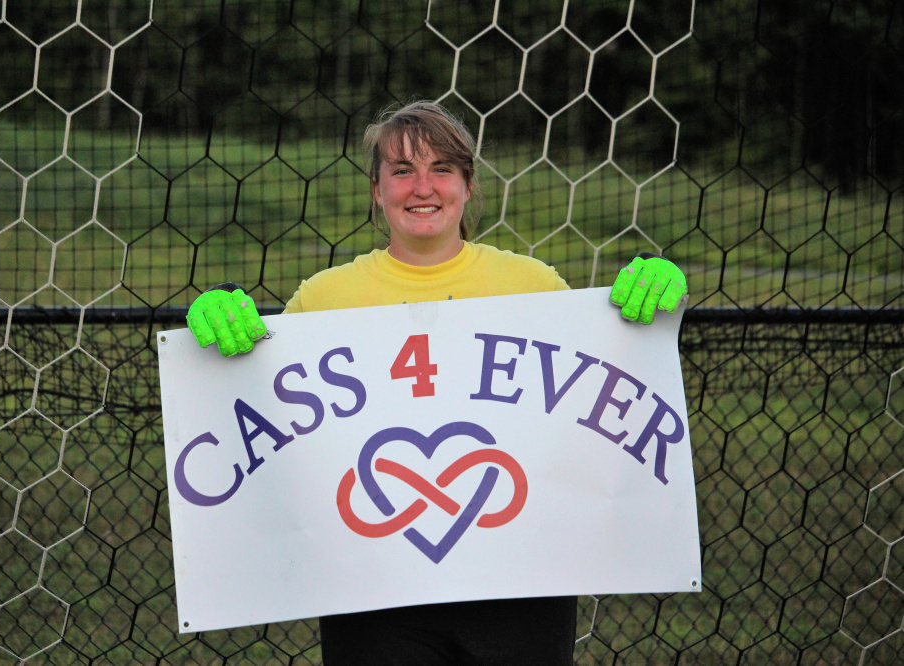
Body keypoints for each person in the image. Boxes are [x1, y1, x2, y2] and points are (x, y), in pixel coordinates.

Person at [185, 101, 687, 665]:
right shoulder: (324, 298)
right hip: (372, 593)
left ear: (468, 185)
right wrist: (220, 324)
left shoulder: (534, 285)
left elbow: (596, 396)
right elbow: (266, 415)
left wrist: (647, 299)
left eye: (442, 169)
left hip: (521, 586)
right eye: (401, 171)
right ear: (377, 190)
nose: (422, 187)